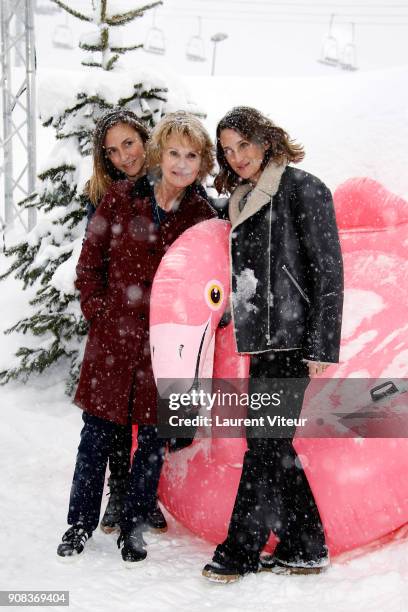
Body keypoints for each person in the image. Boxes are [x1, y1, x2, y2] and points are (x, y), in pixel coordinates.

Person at [57, 111, 216, 563]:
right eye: (173, 153)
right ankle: (79, 524)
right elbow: (89, 267)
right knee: (97, 437)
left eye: (192, 156)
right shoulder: (121, 199)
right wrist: (99, 313)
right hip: (113, 342)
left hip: (165, 351)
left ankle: (134, 527)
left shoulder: (201, 217)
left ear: (201, 163)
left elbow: (209, 285)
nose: (181, 164)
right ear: (158, 153)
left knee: (150, 440)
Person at [202, 106, 344, 583]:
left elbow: (328, 270)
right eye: (228, 150)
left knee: (264, 446)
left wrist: (322, 346)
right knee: (272, 444)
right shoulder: (240, 197)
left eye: (244, 144)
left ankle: (239, 551)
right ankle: (305, 546)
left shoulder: (304, 188)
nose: (237, 156)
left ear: (265, 141)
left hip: (292, 339)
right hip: (262, 342)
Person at [81, 109, 166, 535]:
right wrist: (99, 313)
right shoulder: (104, 195)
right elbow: (91, 263)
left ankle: (144, 496)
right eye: (112, 151)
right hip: (117, 325)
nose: (123, 156)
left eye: (128, 143)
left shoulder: (174, 184)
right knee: (113, 412)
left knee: (153, 414)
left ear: (144, 138)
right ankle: (118, 491)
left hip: (163, 324)